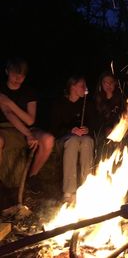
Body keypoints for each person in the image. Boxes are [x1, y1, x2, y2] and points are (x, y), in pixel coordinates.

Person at [0, 57, 54, 187]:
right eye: (15, 73)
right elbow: (9, 115)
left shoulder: (29, 91)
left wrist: (9, 102)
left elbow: (30, 120)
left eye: (22, 75)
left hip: (27, 129)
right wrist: (28, 134)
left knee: (48, 139)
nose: (18, 78)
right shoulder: (1, 90)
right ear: (7, 71)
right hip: (6, 128)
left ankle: (31, 177)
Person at [50, 75, 95, 204]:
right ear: (72, 86)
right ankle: (69, 191)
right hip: (65, 140)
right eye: (82, 86)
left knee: (87, 142)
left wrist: (88, 129)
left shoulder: (87, 103)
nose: (85, 88)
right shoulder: (59, 104)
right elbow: (54, 128)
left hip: (83, 139)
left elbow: (94, 124)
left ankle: (86, 188)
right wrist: (70, 131)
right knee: (73, 142)